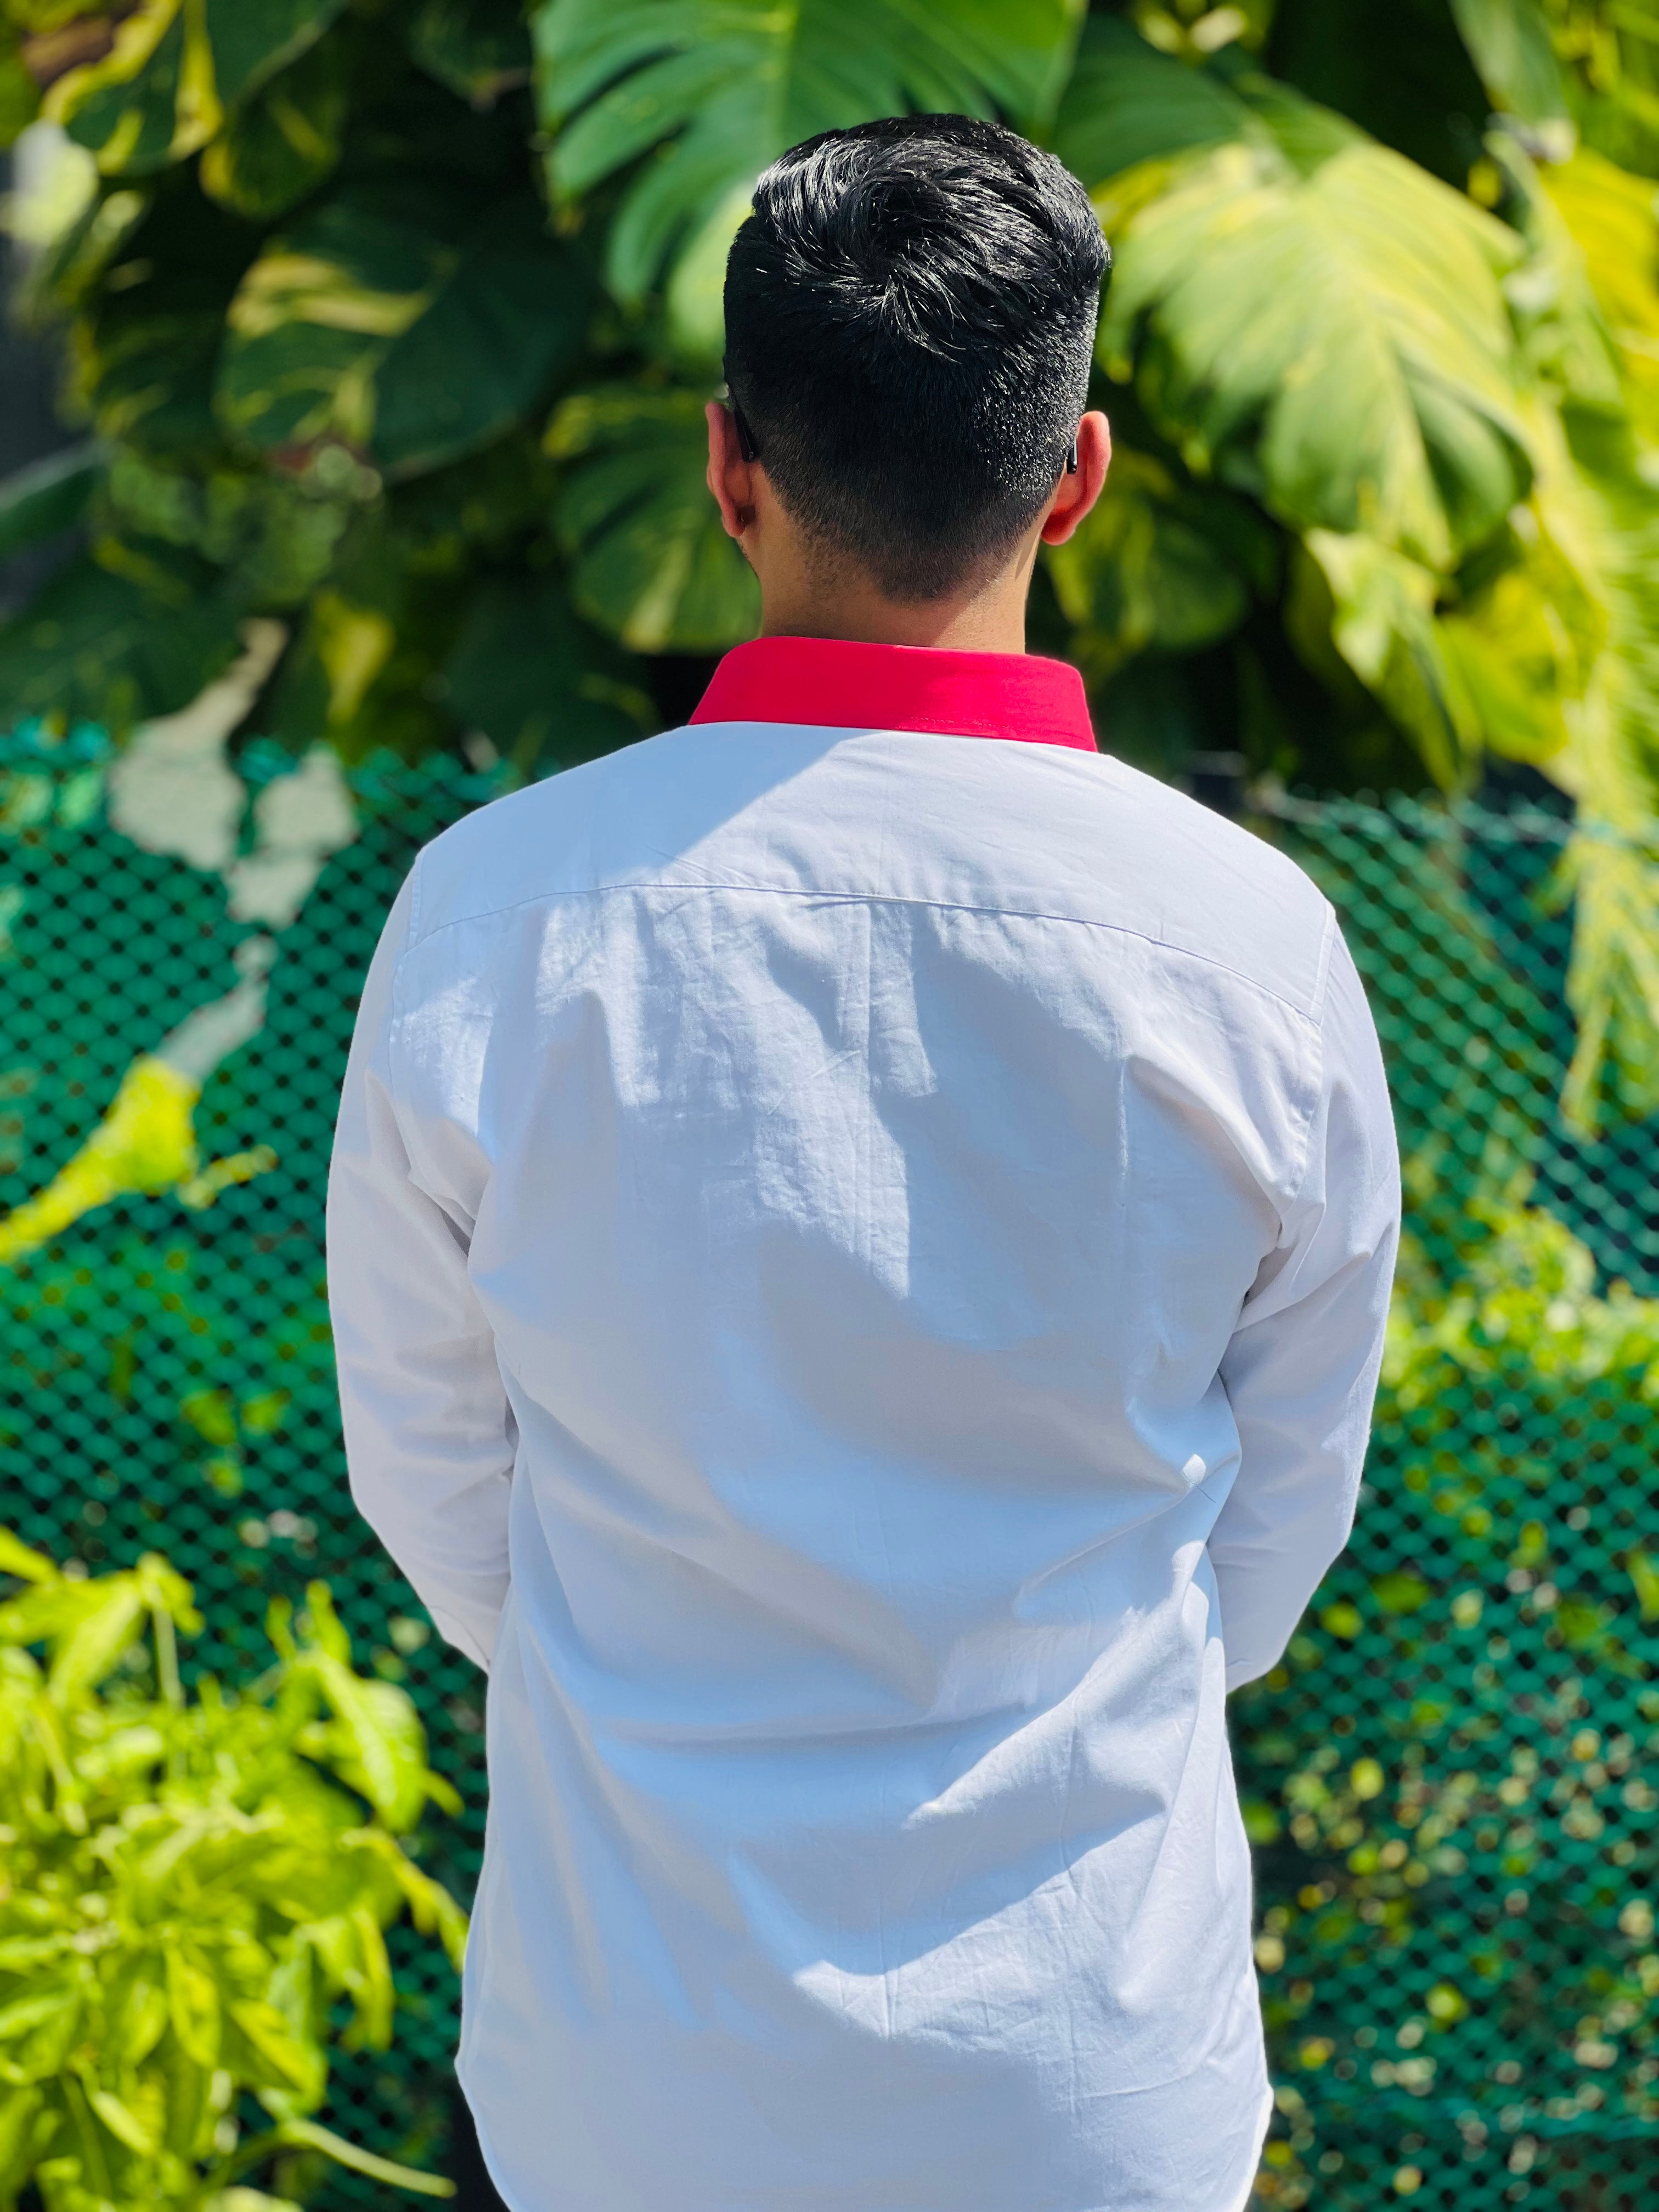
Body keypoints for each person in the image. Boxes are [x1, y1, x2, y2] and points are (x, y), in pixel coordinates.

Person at [328, 115, 1400, 2212]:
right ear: (1075, 474)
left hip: (626, 2075)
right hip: (1091, 2075)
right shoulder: (1253, 942)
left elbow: (437, 1486)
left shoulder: (496, 912)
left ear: (730, 466)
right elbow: (1271, 1535)